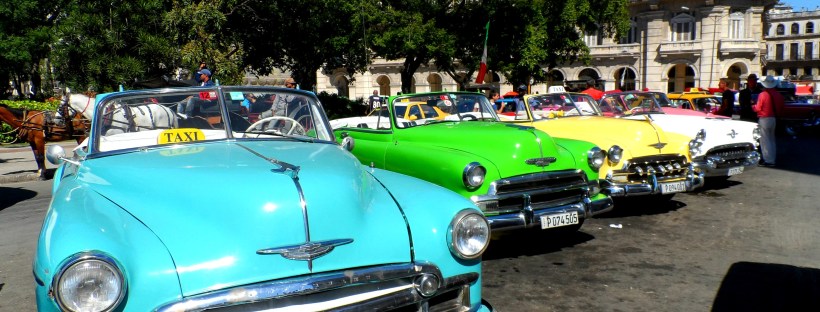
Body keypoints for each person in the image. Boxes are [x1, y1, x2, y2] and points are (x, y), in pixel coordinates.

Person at [753, 76, 785, 167]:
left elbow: (758, 108)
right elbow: (782, 108)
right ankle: (772, 158)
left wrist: (753, 106)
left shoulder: (763, 94)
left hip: (764, 118)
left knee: (764, 140)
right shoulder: (779, 95)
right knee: (771, 139)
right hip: (774, 118)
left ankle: (768, 160)